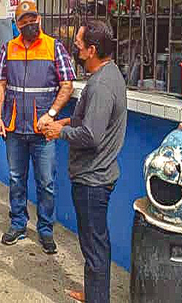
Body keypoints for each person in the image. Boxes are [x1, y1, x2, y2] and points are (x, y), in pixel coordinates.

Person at [43, 20, 127, 303]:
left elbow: (91, 135)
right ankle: (94, 293)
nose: (75, 48)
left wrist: (59, 130)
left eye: (79, 45)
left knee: (94, 245)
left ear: (92, 50)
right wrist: (68, 120)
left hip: (93, 178)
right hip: (96, 175)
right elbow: (93, 120)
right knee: (94, 243)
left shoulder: (102, 84)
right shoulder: (107, 74)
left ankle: (97, 298)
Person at [0, 1, 75, 254]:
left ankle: (46, 229)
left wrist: (51, 114)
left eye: (33, 19)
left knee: (46, 182)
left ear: (40, 18)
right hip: (15, 127)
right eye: (24, 21)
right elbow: (0, 84)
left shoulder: (54, 47)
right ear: (16, 24)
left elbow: (67, 84)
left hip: (43, 131)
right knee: (16, 179)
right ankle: (18, 223)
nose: (29, 24)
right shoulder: (9, 48)